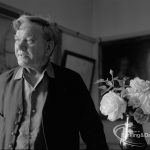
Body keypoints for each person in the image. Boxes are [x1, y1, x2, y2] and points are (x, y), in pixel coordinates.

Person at [0, 14, 108, 150]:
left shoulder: (71, 82)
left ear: (48, 47)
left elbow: (94, 135)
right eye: (17, 40)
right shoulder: (3, 82)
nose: (20, 47)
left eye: (29, 40)